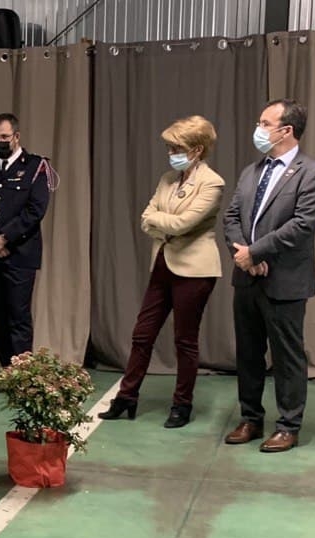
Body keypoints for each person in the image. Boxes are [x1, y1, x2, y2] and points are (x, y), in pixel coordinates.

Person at [98, 116, 224, 428]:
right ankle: (127, 397)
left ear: (196, 149)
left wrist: (160, 220)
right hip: (163, 264)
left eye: (176, 147)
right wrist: (160, 222)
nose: (170, 153)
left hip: (195, 271)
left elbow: (183, 224)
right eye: (169, 147)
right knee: (142, 335)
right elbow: (145, 217)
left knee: (185, 340)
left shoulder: (213, 183)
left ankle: (182, 404)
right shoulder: (168, 178)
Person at [222, 99, 315, 453]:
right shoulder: (251, 171)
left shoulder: (313, 173)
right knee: (248, 354)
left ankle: (288, 425)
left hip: (285, 282)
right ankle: (251, 418)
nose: (259, 129)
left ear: (286, 130)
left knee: (287, 357)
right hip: (247, 277)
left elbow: (302, 225)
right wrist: (244, 256)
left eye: (265, 123)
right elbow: (232, 217)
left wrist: (257, 251)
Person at [0, 113, 54, 393]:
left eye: (4, 137)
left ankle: (23, 377)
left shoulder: (36, 167)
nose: (0, 142)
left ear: (17, 136)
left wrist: (4, 239)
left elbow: (35, 211)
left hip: (19, 255)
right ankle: (7, 372)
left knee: (18, 316)